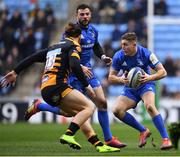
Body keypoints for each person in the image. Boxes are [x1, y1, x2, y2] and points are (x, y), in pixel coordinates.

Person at [0, 23, 120, 153]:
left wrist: (15, 72)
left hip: (45, 88)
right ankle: (68, 135)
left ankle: (98, 144)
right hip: (58, 86)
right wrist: (87, 85)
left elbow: (32, 58)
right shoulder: (73, 46)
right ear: (79, 37)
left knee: (75, 112)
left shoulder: (53, 48)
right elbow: (74, 65)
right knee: (89, 107)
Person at [25, 3, 126, 148]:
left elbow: (95, 46)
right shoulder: (70, 32)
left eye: (87, 14)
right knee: (70, 112)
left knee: (102, 102)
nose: (85, 16)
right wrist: (79, 66)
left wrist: (103, 56)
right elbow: (64, 53)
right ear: (77, 16)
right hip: (73, 73)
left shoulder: (93, 30)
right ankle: (40, 106)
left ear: (90, 15)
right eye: (82, 14)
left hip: (89, 72)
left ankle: (108, 139)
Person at [108, 32, 173, 150]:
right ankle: (143, 131)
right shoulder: (118, 56)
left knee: (150, 107)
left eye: (126, 45)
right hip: (130, 88)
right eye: (122, 44)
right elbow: (111, 77)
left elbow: (163, 72)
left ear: (134, 44)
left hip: (145, 84)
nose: (123, 47)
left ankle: (166, 139)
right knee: (117, 110)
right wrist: (121, 79)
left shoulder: (146, 53)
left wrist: (149, 77)